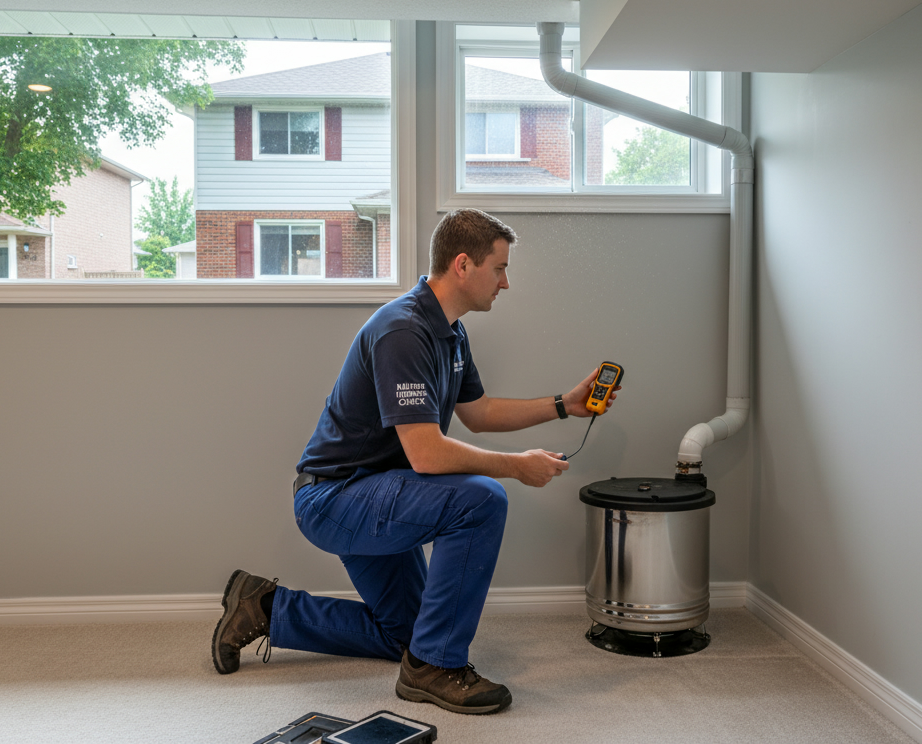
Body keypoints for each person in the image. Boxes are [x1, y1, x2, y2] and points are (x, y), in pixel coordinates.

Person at [211, 208, 619, 715]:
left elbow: (480, 413)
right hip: (334, 497)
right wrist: (516, 466)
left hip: (377, 490)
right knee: (481, 500)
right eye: (499, 268)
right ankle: (436, 669)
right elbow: (426, 454)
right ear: (463, 265)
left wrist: (564, 404)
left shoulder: (450, 332)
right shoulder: (403, 331)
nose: (506, 282)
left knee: (408, 634)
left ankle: (265, 608)